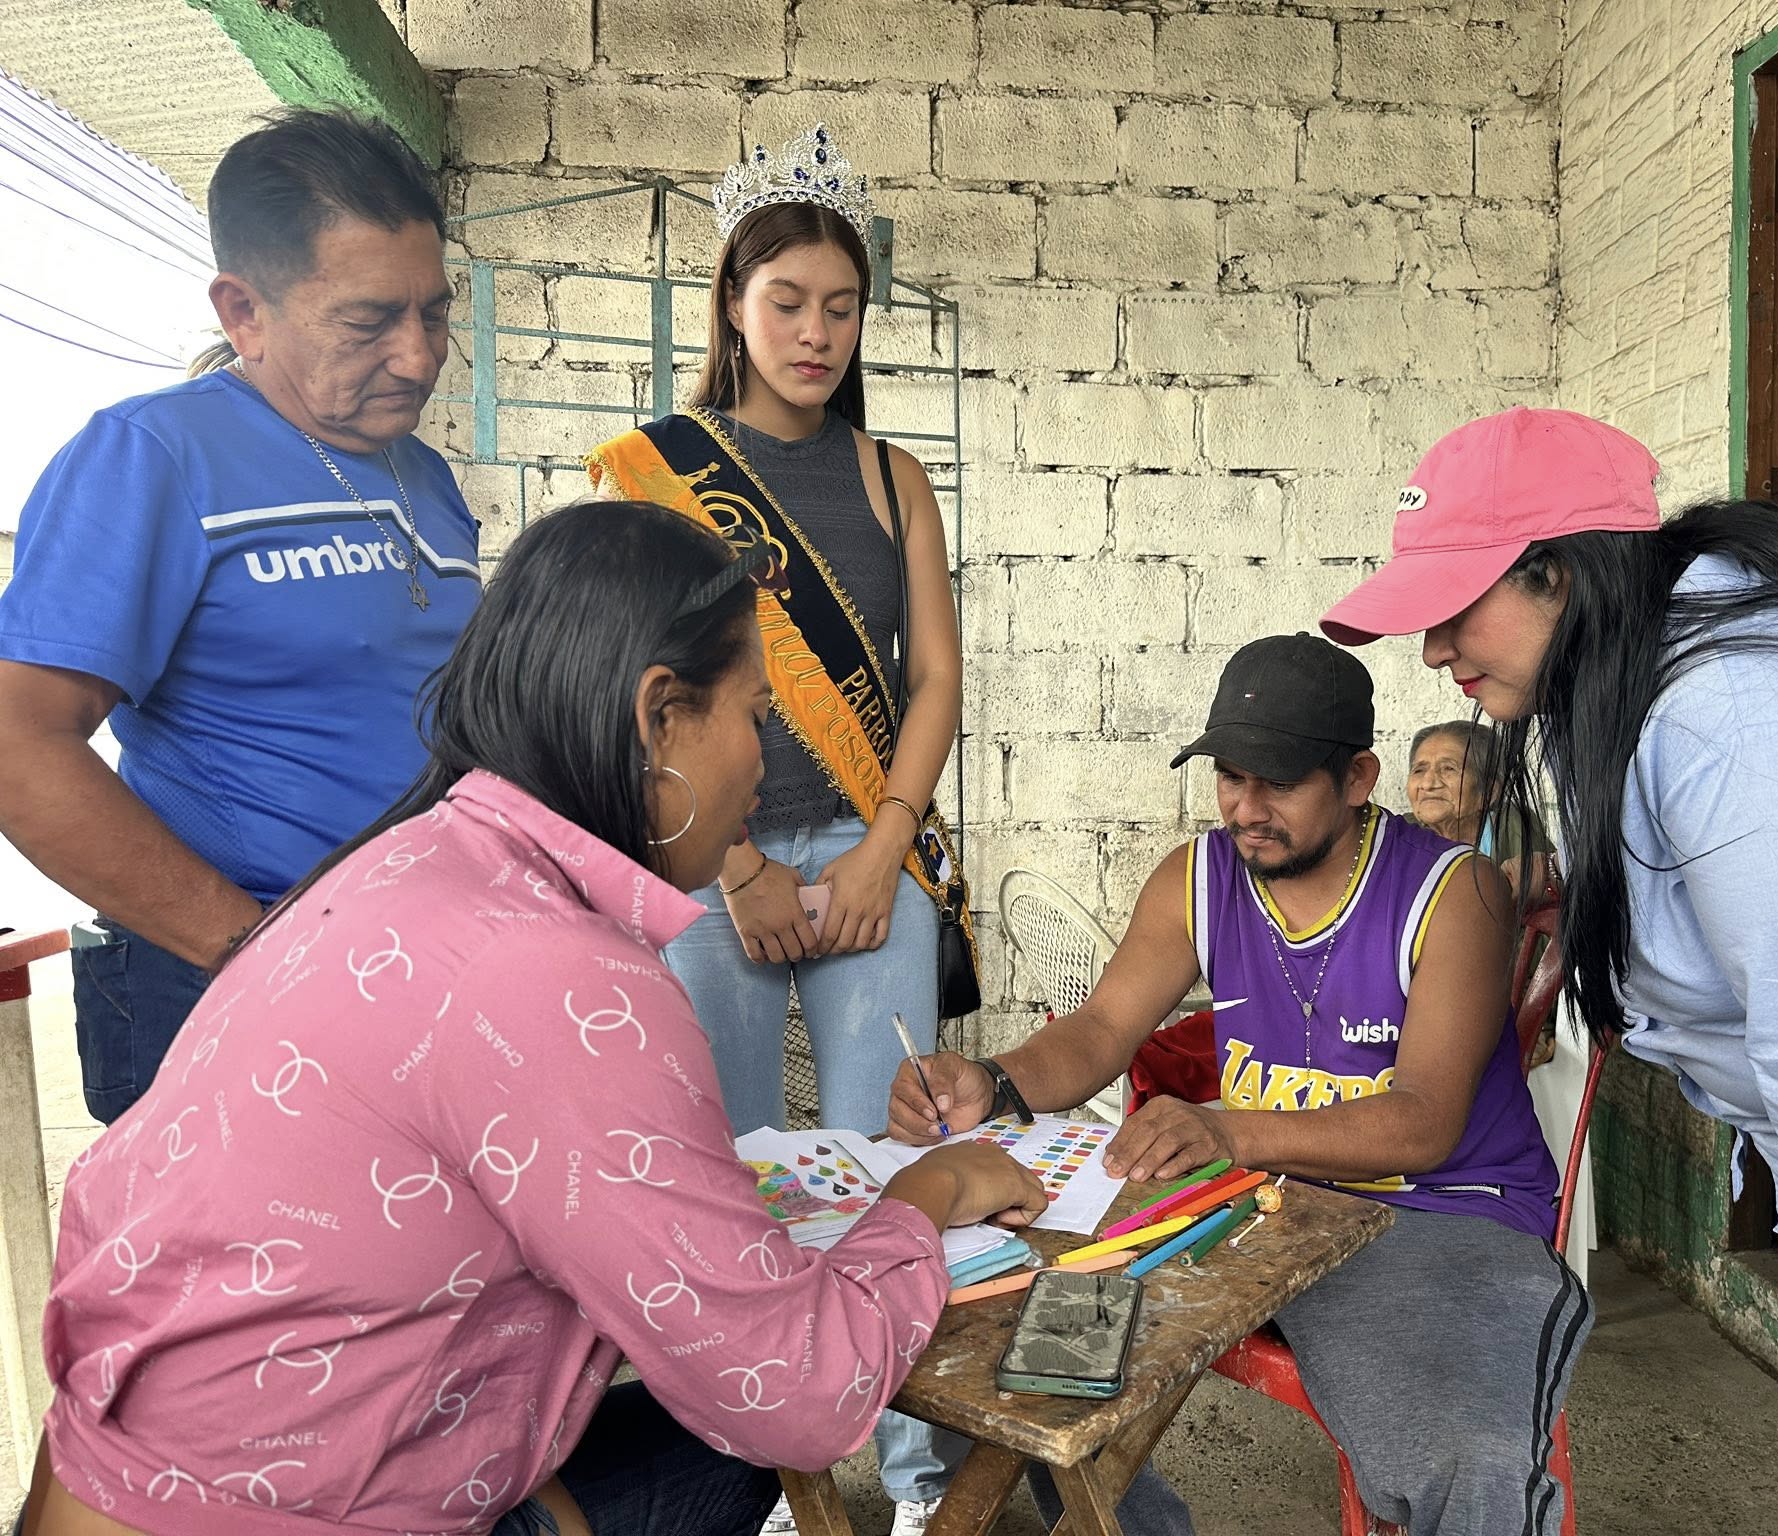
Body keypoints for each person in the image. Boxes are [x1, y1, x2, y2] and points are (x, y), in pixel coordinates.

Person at [17, 500, 1044, 1536]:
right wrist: (929, 1192)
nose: (764, 763)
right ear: (659, 715)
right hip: (259, 1510)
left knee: (702, 1454)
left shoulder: (401, 858)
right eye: (756, 717)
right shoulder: (567, 976)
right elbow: (794, 1391)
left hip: (115, 1464)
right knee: (736, 1446)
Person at [1321, 404, 1778, 1536]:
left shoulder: (1748, 711)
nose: (1431, 650)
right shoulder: (1634, 673)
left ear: (1562, 573)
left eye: (1453, 607)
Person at [889, 633, 1589, 1536]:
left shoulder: (1454, 892)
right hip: (1261, 1202)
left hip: (1438, 1211)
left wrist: (1226, 1131)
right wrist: (991, 1080)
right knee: (1031, 1344)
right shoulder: (1199, 877)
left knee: (1461, 1457)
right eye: (1230, 777)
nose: (1246, 810)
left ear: (1358, 778)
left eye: (1279, 783)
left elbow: (1423, 1123)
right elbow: (1102, 1029)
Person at [586, 124, 974, 1536]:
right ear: (732, 306)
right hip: (710, 869)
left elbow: (934, 679)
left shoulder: (892, 475)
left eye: (842, 307)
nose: (816, 333)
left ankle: (930, 1477)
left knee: (899, 1169)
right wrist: (740, 866)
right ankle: (754, 1478)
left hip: (875, 858)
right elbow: (633, 690)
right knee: (727, 1179)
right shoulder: (653, 473)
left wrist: (881, 848)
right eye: (788, 301)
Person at [0, 109, 479, 1125]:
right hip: (223, 978)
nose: (417, 357)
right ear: (244, 311)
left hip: (409, 968)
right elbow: (16, 741)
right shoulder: (154, 458)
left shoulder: (426, 478)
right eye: (368, 321)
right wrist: (252, 946)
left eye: (434, 314)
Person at [1404, 719, 1555, 899]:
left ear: (1489, 791)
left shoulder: (1513, 827)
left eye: (1448, 769)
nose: (1428, 784)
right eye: (1419, 770)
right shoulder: (1400, 834)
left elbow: (1542, 899)